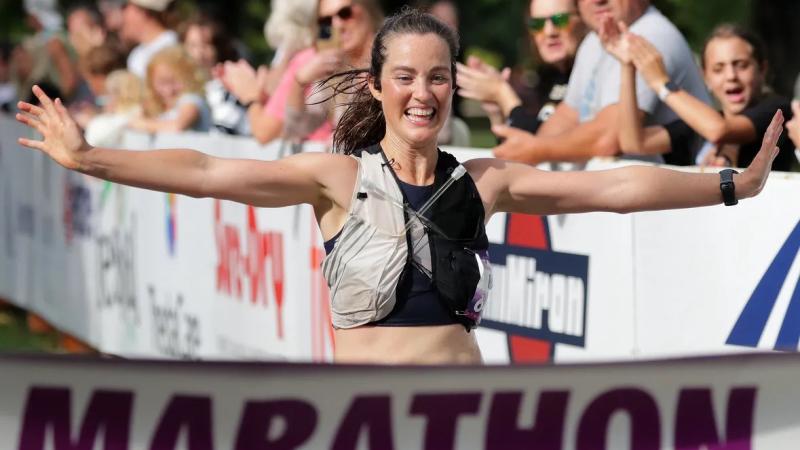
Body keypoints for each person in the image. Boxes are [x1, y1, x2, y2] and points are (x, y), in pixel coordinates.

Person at [15, 10, 784, 365]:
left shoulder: (487, 181)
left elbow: (617, 188)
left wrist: (731, 184)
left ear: (454, 91)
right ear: (378, 88)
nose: (424, 93)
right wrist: (91, 161)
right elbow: (211, 173)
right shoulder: (334, 180)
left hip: (464, 416)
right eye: (406, 78)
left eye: (439, 78)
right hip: (365, 423)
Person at [491, 0, 709, 165]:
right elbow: (569, 115)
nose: (597, 0)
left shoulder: (649, 35)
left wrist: (537, 151)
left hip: (675, 210)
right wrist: (531, 147)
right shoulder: (595, 39)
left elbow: (609, 138)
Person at [601, 21, 795, 171]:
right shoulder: (700, 124)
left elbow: (719, 130)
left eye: (741, 65)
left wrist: (661, 84)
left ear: (762, 69)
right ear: (706, 77)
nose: (731, 76)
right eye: (718, 69)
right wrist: (627, 66)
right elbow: (633, 142)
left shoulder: (777, 109)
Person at [457, 0, 586, 134]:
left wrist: (503, 95)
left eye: (560, 20)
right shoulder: (546, 78)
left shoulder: (592, 76)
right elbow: (516, 149)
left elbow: (540, 144)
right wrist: (497, 113)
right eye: (537, 24)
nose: (549, 32)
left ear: (583, 19)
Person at [283, 0, 384, 144]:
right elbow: (297, 129)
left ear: (367, 8)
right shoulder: (336, 69)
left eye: (345, 13)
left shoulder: (391, 57)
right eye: (326, 20)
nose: (337, 25)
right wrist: (299, 82)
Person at [180, 14, 249, 135]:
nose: (198, 54)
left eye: (206, 45)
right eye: (192, 46)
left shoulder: (231, 90)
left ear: (219, 50)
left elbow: (221, 136)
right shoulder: (178, 88)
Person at [128, 46, 211, 133]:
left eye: (174, 81)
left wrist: (142, 124)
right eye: (162, 83)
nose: (169, 90)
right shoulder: (162, 106)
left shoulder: (191, 99)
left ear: (189, 77)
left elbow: (177, 127)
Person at [121, 0, 178, 79]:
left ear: (143, 12)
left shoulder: (174, 45)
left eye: (125, 7)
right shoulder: (136, 55)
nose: (123, 14)